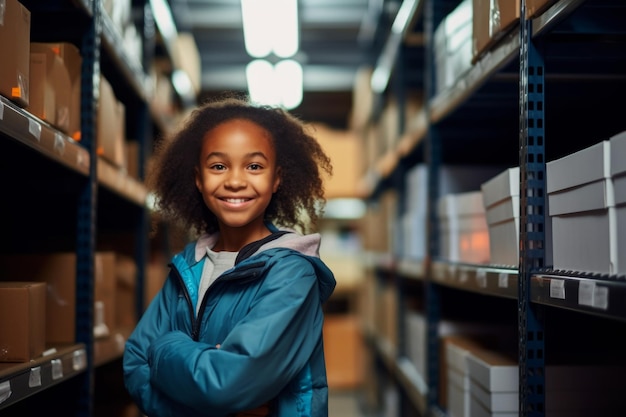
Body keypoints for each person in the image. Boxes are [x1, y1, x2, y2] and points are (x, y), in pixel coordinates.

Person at [123, 95, 336, 417]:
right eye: (218, 166)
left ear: (277, 178)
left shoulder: (293, 272)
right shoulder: (189, 265)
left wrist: (165, 346)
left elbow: (225, 384)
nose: (235, 181)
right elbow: (135, 363)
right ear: (198, 178)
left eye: (254, 166)